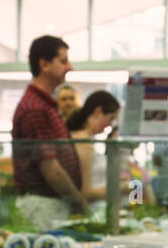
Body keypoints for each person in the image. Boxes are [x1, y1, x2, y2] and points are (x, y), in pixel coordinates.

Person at [12, 36, 85, 229]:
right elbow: (50, 168)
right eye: (63, 61)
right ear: (44, 64)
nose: (69, 67)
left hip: (53, 204)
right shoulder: (35, 108)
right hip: (43, 207)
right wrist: (79, 200)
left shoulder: (45, 105)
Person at [66, 90, 120, 203]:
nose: (110, 124)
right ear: (98, 112)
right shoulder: (83, 142)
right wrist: (120, 188)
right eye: (111, 118)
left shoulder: (86, 139)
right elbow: (85, 193)